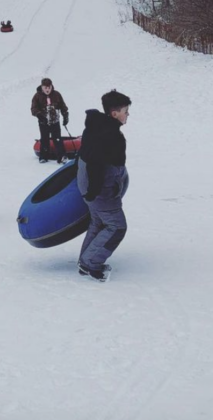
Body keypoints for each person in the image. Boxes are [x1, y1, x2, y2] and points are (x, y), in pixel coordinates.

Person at [76, 90, 132, 282]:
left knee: (98, 223)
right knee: (117, 227)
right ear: (114, 113)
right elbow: (95, 163)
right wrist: (94, 191)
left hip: (91, 187)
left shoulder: (95, 125)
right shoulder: (109, 135)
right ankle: (90, 262)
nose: (128, 115)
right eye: (125, 111)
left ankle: (85, 261)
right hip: (101, 190)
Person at [30, 78, 69, 163]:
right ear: (42, 87)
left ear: (51, 87)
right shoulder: (37, 96)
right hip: (43, 122)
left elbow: (63, 106)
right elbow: (34, 108)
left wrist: (65, 115)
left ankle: (61, 156)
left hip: (55, 121)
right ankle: (43, 156)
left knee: (57, 139)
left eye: (49, 87)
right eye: (45, 88)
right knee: (44, 139)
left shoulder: (57, 95)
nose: (47, 90)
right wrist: (40, 116)